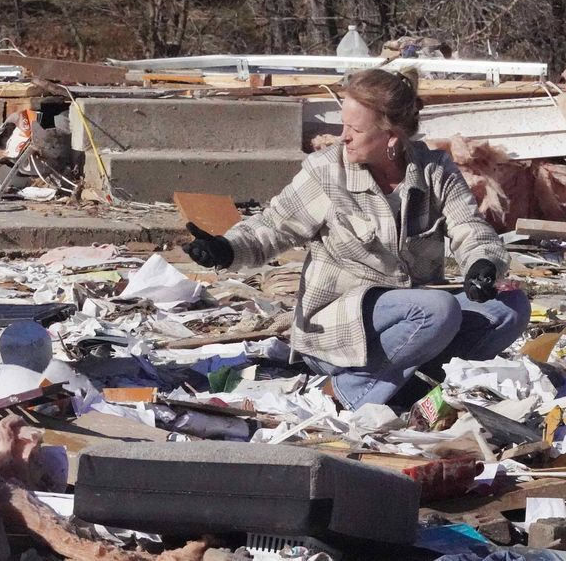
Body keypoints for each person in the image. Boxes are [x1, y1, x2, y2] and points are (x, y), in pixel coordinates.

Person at [183, 68, 530, 410]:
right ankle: (343, 392)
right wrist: (226, 249)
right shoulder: (327, 171)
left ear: (391, 137)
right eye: (343, 125)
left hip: (414, 324)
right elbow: (273, 227)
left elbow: (470, 228)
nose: (343, 137)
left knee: (510, 307)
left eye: (355, 129)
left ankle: (410, 389)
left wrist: (482, 263)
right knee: (437, 310)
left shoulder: (434, 171)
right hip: (337, 327)